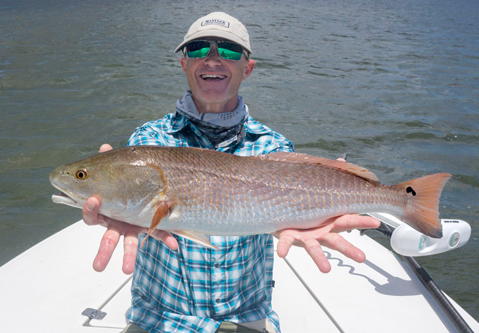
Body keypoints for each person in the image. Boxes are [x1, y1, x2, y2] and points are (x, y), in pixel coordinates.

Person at [82, 12, 380, 333]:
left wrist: (298, 221)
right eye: (197, 49)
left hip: (244, 318)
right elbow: (127, 199)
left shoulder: (274, 146)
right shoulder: (147, 141)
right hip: (162, 318)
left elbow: (286, 218)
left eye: (228, 50)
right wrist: (107, 205)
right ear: (184, 64)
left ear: (247, 68)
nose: (212, 60)